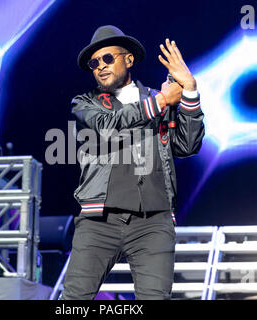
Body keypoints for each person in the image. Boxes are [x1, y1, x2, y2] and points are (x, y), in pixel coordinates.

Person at [61, 25, 205, 300]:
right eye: (94, 63)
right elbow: (108, 126)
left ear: (128, 59)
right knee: (73, 301)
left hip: (154, 222)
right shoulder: (84, 103)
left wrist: (189, 92)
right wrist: (163, 101)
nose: (100, 67)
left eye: (107, 58)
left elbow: (187, 145)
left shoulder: (156, 99)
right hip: (99, 221)